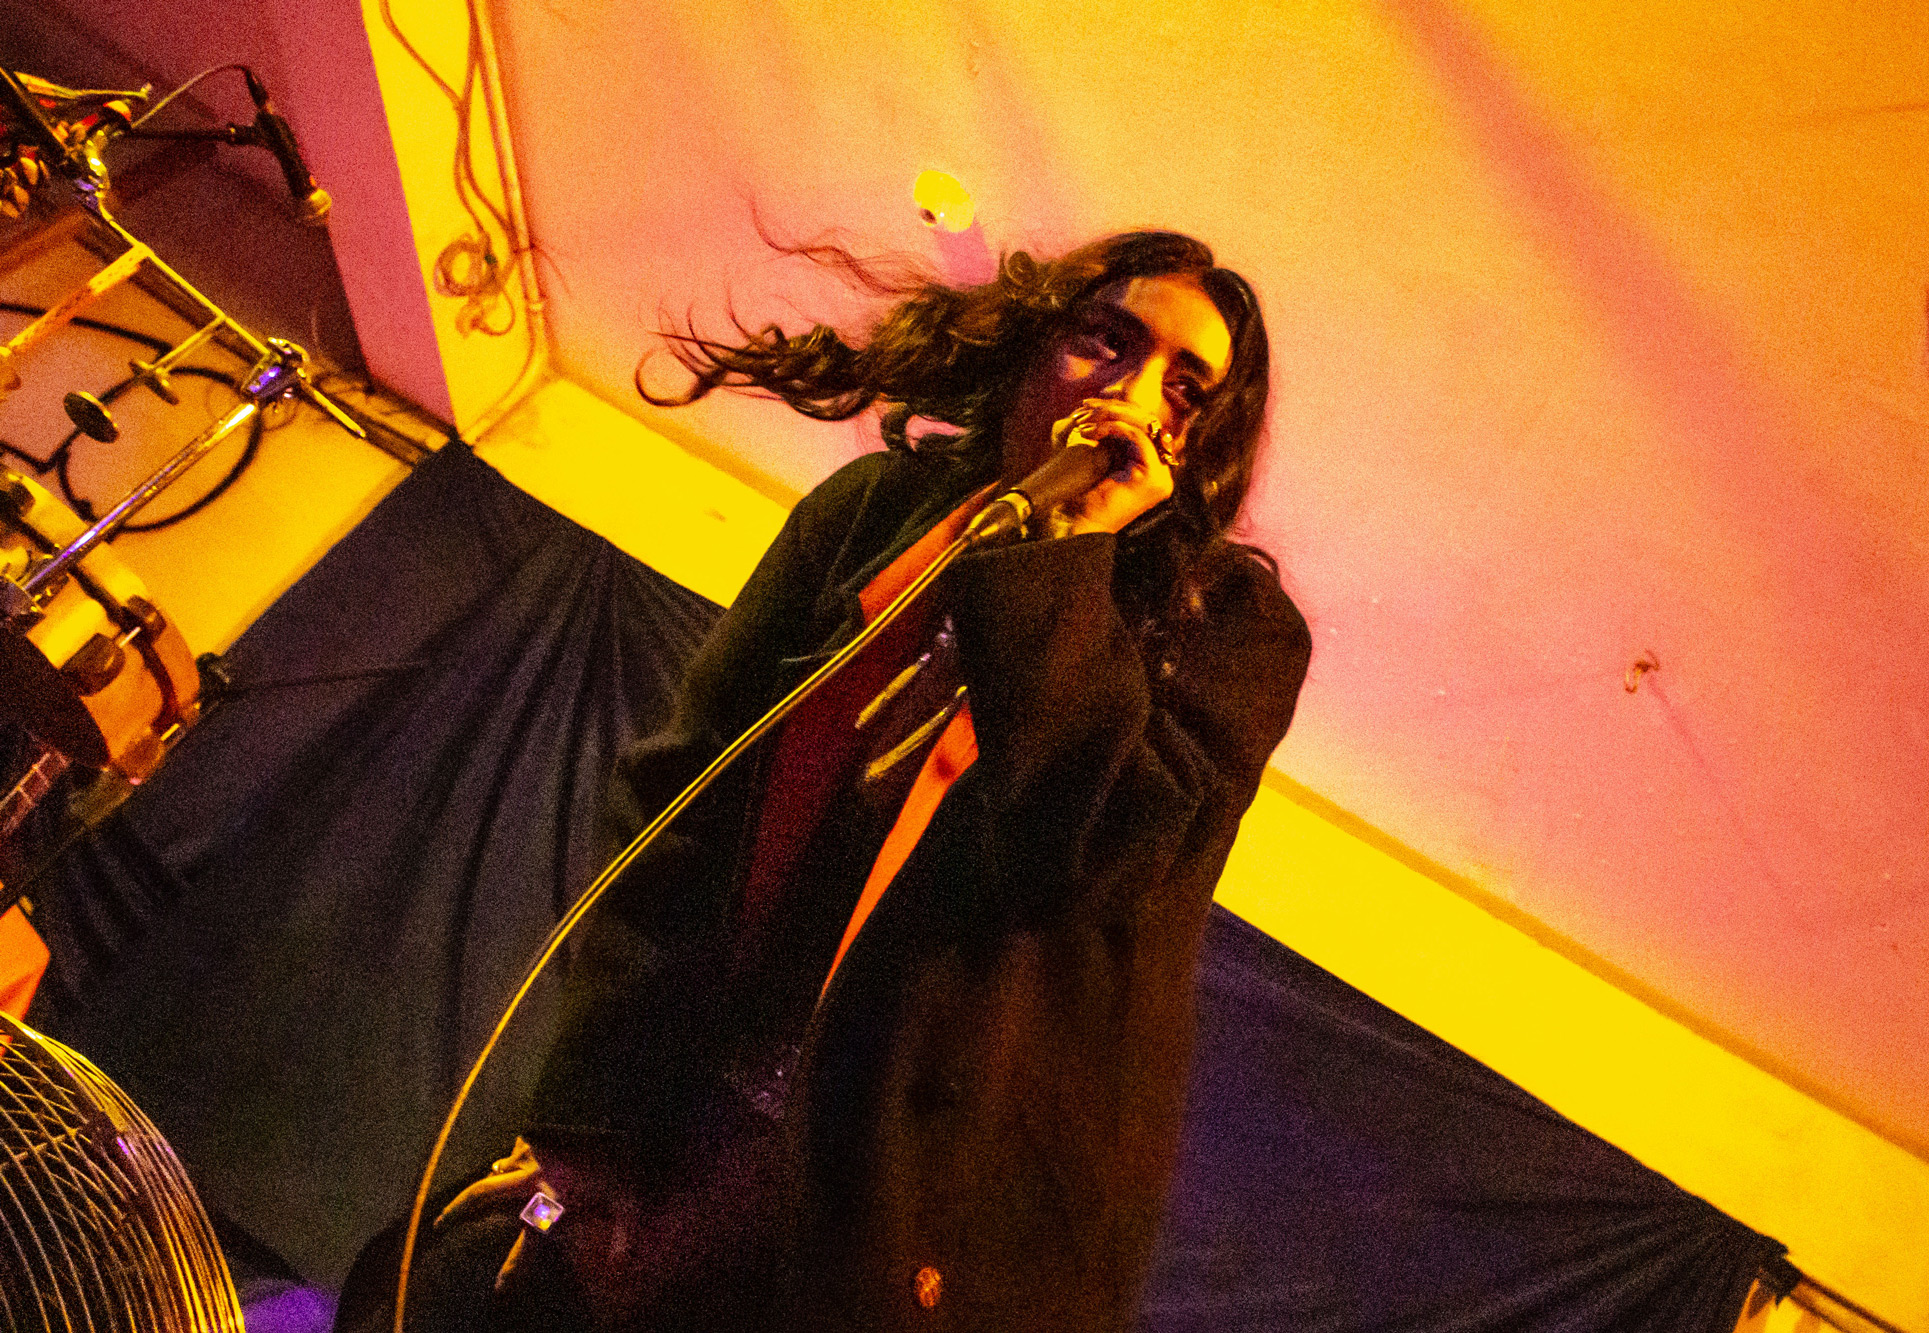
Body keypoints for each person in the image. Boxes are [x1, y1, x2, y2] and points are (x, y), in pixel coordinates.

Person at [358, 230, 1310, 1333]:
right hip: (698, 1095)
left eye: (1186, 390)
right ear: (1034, 343)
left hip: (910, 1196)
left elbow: (1087, 854)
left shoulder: (1227, 630)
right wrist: (591, 1113)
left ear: (1197, 450)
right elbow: (682, 800)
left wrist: (1064, 556)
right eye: (1107, 339)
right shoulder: (876, 509)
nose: (1131, 396)